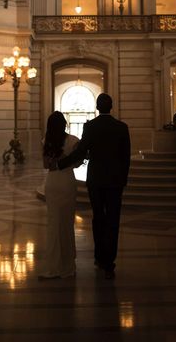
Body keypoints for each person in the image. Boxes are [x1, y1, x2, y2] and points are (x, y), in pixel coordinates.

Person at [52, 93, 131, 279]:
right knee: (113, 220)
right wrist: (123, 179)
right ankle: (109, 262)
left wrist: (61, 164)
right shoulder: (122, 127)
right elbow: (125, 158)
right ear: (111, 106)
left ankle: (99, 256)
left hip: (96, 180)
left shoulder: (90, 127)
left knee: (98, 218)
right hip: (115, 181)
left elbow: (81, 151)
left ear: (97, 106)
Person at [39, 111, 81, 279]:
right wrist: (66, 158)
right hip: (67, 183)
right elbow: (77, 164)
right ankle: (68, 267)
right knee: (67, 224)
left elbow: (46, 165)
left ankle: (54, 267)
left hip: (52, 184)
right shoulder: (73, 141)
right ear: (64, 124)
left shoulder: (46, 141)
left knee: (54, 225)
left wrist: (55, 159)